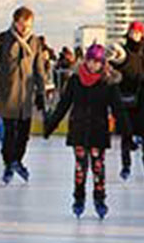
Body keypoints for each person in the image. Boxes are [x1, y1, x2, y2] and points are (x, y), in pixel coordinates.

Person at [44, 44, 129, 220]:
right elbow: (63, 105)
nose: (92, 65)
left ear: (102, 62)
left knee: (98, 168)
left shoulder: (108, 82)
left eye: (96, 62)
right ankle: (78, 199)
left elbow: (118, 109)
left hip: (98, 131)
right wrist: (51, 126)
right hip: (79, 130)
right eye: (89, 60)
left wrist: (127, 132)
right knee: (80, 168)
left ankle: (99, 200)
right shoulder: (75, 80)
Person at [0, 6, 48, 185]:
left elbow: (39, 69)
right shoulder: (3, 39)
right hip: (8, 93)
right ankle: (8, 162)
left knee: (24, 134)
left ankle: (17, 160)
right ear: (15, 22)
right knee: (10, 132)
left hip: (26, 95)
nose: (25, 29)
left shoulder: (34, 42)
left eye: (28, 25)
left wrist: (41, 92)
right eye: (22, 25)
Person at [115, 21, 144, 181]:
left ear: (142, 34)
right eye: (132, 32)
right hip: (127, 95)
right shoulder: (124, 50)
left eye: (137, 32)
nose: (134, 35)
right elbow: (118, 66)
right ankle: (126, 165)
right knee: (126, 134)